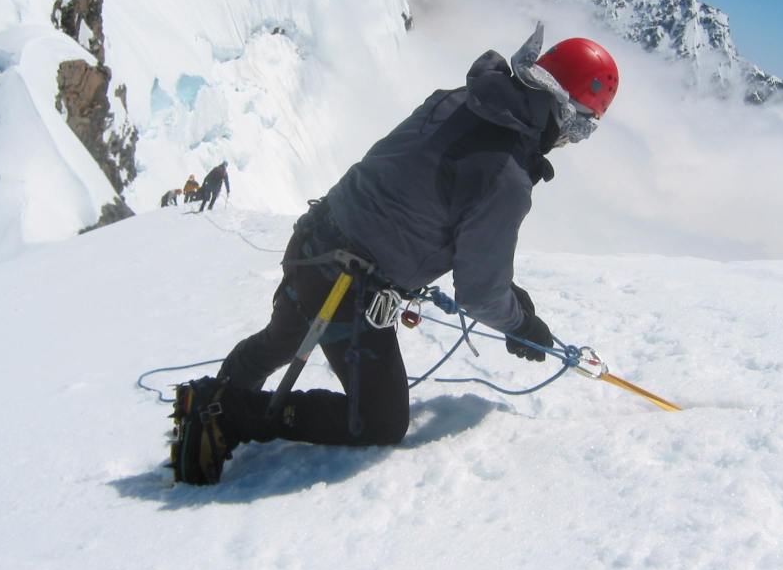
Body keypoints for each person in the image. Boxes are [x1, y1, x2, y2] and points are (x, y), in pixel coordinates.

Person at [170, 24, 619, 485]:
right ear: (565, 110)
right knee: (379, 421)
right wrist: (521, 324)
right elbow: (479, 291)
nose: (574, 138)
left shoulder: (461, 98)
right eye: (582, 124)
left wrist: (506, 291)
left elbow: (416, 190)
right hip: (348, 286)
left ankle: (209, 412)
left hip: (315, 241)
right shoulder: (507, 177)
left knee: (281, 339)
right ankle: (224, 412)